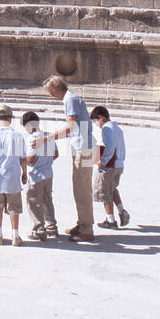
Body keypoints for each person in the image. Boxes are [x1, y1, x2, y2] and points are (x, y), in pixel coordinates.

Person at [45, 75, 96, 241]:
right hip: (84, 146)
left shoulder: (70, 100)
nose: (51, 95)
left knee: (82, 189)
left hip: (84, 148)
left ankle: (87, 229)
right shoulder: (71, 98)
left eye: (51, 91)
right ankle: (83, 223)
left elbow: (70, 127)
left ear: (56, 89)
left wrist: (48, 138)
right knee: (81, 188)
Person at [0, 105, 28, 246]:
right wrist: (24, 173)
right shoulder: (18, 135)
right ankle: (15, 236)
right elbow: (22, 158)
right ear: (11, 118)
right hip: (13, 176)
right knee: (14, 207)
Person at [21, 110, 59, 241]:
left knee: (34, 201)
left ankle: (39, 228)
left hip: (36, 175)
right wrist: (46, 161)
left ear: (28, 125)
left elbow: (30, 158)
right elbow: (55, 154)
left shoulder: (32, 138)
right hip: (48, 173)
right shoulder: (48, 136)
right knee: (47, 200)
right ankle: (51, 227)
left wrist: (22, 160)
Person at [92, 106, 130, 228]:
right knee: (112, 189)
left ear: (101, 117)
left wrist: (103, 161)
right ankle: (122, 211)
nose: (96, 124)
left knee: (105, 192)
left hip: (109, 165)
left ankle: (111, 220)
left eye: (95, 121)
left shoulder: (107, 129)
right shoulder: (118, 129)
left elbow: (109, 147)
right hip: (119, 164)